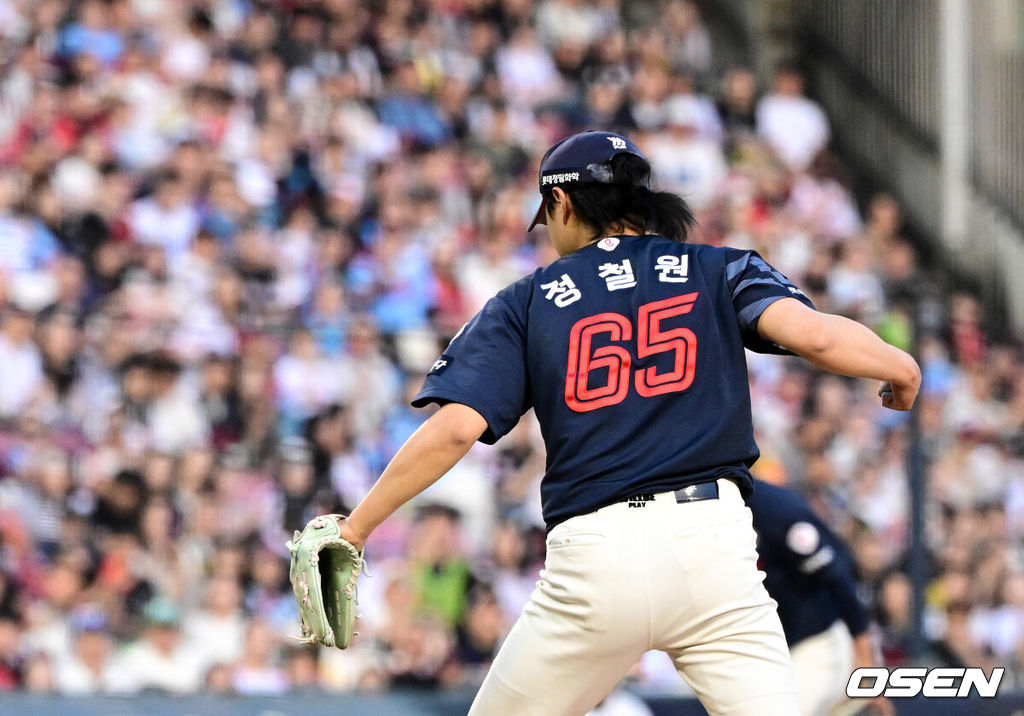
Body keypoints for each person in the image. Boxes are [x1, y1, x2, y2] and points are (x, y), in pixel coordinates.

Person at [328, 131, 920, 715]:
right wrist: (900, 365)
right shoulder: (717, 268)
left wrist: (356, 528)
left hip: (596, 558)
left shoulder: (527, 300)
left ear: (561, 202)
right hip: (712, 549)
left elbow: (457, 428)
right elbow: (815, 335)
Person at [748, 478, 891, 716]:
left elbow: (837, 577)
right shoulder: (701, 505)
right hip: (769, 647)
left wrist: (866, 663)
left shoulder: (773, 508)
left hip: (817, 643)